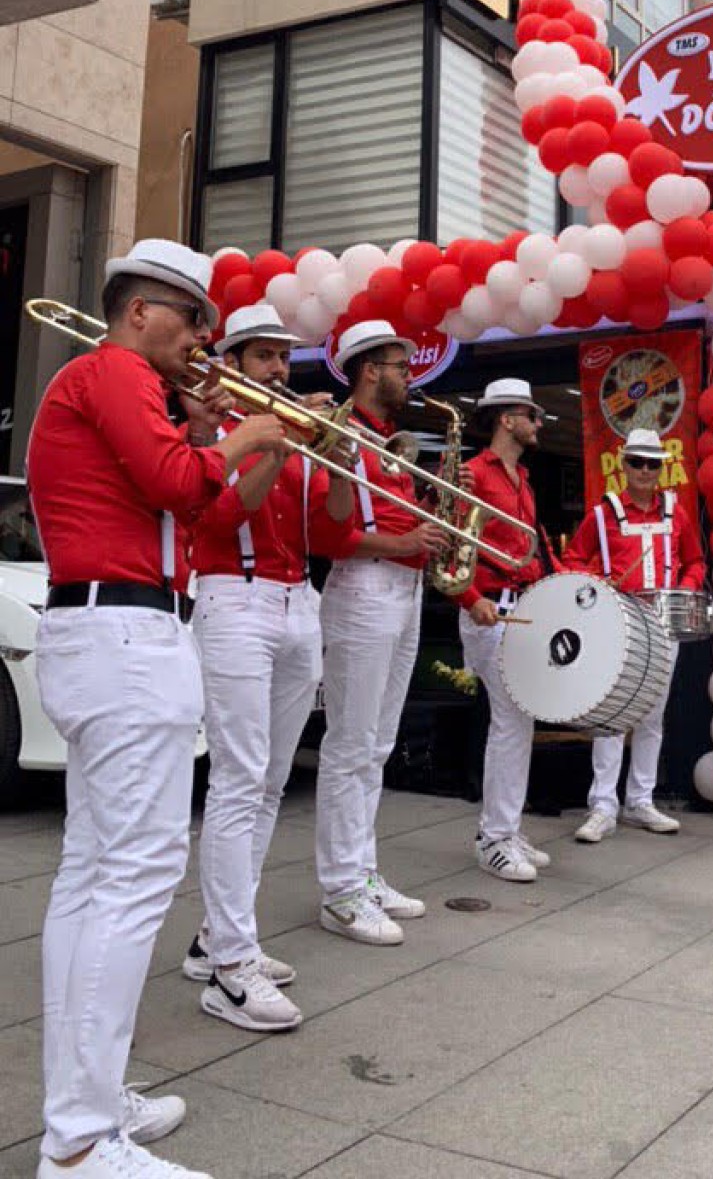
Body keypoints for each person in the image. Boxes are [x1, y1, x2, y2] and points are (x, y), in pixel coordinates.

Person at [27, 239, 288, 1179]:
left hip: (122, 636)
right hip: (127, 641)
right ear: (143, 311)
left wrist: (250, 447)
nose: (205, 344)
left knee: (95, 875)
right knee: (132, 877)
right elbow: (183, 482)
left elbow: (218, 516)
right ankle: (83, 1137)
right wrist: (238, 437)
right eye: (194, 324)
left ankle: (86, 1096)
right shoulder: (113, 370)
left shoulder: (132, 389)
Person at [182, 303, 357, 1032]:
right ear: (231, 363)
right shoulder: (219, 432)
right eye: (263, 357)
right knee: (238, 777)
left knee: (272, 781)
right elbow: (220, 519)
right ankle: (229, 964)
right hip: (234, 601)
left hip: (296, 603)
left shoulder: (291, 431)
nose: (280, 369)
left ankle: (219, 935)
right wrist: (280, 447)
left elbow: (338, 526)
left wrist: (343, 459)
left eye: (284, 357)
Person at [315, 321, 445, 945]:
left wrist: (440, 507)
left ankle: (362, 871)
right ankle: (339, 889)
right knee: (350, 744)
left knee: (377, 745)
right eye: (399, 365)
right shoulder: (342, 435)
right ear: (369, 371)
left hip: (404, 590)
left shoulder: (389, 441)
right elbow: (329, 534)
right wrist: (405, 540)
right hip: (364, 588)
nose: (408, 375)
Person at [562, 428, 705, 842]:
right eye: (637, 462)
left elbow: (694, 560)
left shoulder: (676, 513)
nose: (645, 470)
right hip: (617, 626)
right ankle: (602, 805)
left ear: (662, 468)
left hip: (662, 625)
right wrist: (600, 583)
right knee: (612, 714)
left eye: (652, 463)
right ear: (623, 466)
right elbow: (573, 559)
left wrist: (687, 586)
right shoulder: (603, 514)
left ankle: (640, 799)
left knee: (652, 716)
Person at [455, 378, 552, 882]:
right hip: (492, 609)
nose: (538, 423)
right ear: (505, 419)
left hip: (519, 607)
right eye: (530, 414)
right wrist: (472, 601)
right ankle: (494, 837)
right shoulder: (472, 474)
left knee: (518, 725)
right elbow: (452, 550)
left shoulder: (523, 480)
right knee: (510, 723)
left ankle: (504, 828)